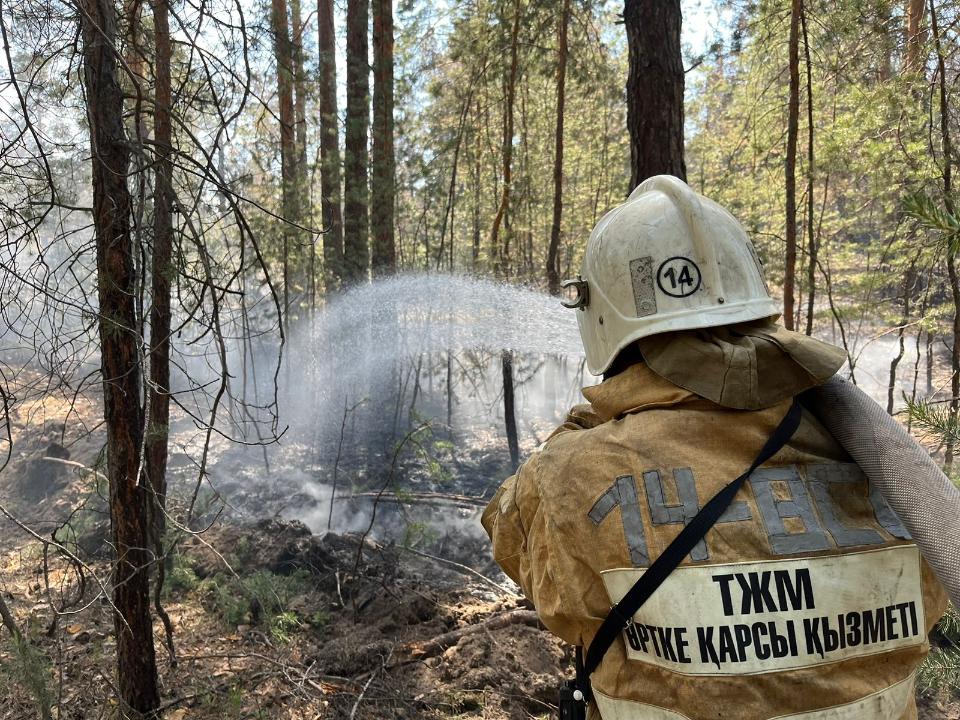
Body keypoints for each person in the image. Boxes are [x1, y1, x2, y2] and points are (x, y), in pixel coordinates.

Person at [481, 175, 947, 720]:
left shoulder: (568, 472)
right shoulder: (888, 460)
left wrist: (601, 412)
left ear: (599, 315)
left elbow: (519, 546)